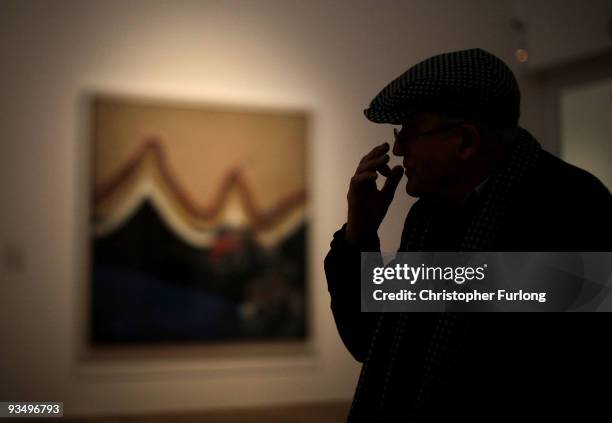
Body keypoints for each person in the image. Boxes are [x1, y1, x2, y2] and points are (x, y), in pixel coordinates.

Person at [324, 48, 612, 421]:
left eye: (409, 132)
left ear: (465, 141)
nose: (396, 149)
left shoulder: (573, 208)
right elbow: (372, 338)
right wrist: (358, 235)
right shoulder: (430, 216)